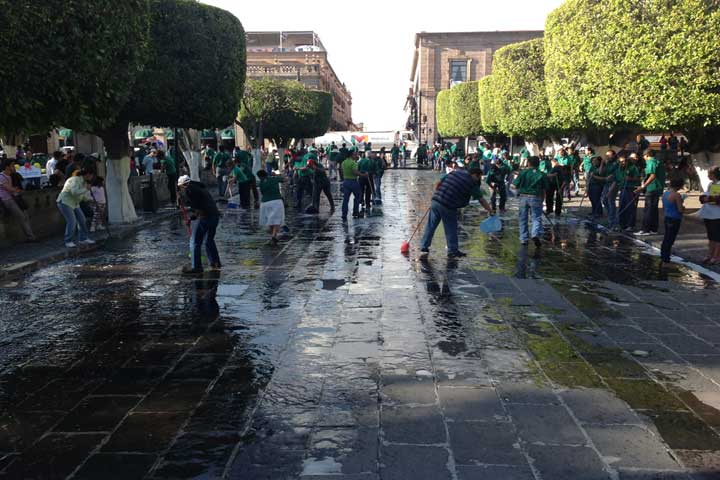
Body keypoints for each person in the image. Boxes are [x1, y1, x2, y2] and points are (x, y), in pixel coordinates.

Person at [420, 167, 492, 257]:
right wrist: (490, 210)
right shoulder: (471, 183)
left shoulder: (455, 172)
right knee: (451, 228)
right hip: (448, 205)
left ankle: (424, 246)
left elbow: (439, 182)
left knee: (431, 225)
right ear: (474, 175)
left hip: (436, 201)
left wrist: (437, 194)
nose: (478, 180)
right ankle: (452, 250)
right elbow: (481, 200)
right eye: (479, 177)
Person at [177, 175, 220, 274]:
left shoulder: (189, 190)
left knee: (194, 242)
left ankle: (196, 267)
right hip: (214, 216)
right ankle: (215, 263)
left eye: (181, 187)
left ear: (183, 185)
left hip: (206, 218)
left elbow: (198, 210)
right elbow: (201, 206)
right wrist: (191, 218)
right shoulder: (200, 188)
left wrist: (183, 201)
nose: (181, 190)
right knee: (209, 240)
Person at [513, 156, 548, 247]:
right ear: (538, 164)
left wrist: (519, 190)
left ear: (528, 163)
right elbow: (544, 189)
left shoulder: (523, 173)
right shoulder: (542, 174)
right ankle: (535, 233)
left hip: (523, 197)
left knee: (523, 218)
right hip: (536, 197)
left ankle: (523, 239)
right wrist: (542, 200)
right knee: (536, 218)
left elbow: (514, 185)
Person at [56, 168, 96, 248]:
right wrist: (86, 189)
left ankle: (83, 238)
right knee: (72, 221)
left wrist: (89, 199)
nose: (92, 177)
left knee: (82, 220)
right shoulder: (74, 180)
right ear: (88, 174)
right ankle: (68, 241)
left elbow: (81, 195)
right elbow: (74, 192)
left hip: (74, 203)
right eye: (92, 175)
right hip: (65, 202)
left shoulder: (83, 182)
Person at [0, 160, 36, 241]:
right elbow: (10, 189)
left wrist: (16, 190)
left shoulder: (11, 175)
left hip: (14, 198)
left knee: (25, 216)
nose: (14, 167)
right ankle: (31, 237)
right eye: (12, 165)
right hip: (7, 199)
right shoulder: (1, 176)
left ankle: (31, 236)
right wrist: (16, 190)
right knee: (22, 217)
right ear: (7, 167)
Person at [635, 149, 665, 236]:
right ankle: (653, 229)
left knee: (648, 209)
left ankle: (646, 229)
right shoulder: (657, 162)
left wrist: (643, 186)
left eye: (644, 156)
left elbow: (652, 175)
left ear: (647, 155)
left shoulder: (651, 162)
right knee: (653, 209)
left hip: (652, 188)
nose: (644, 158)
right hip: (657, 188)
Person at [660, 178, 685, 265]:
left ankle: (663, 256)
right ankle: (666, 259)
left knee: (667, 237)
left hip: (667, 217)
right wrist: (683, 205)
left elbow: (663, 207)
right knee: (670, 239)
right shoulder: (676, 195)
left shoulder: (665, 194)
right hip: (675, 218)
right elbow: (680, 209)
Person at [699, 167, 720, 265]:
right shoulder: (711, 184)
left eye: (709, 174)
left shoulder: (718, 184)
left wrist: (710, 199)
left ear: (714, 175)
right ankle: (710, 254)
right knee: (711, 236)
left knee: (717, 237)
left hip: (717, 215)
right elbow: (705, 196)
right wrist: (704, 198)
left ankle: (716, 256)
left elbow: (715, 199)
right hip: (708, 214)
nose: (708, 176)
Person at [257, 170, 285, 243]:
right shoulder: (274, 178)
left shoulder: (261, 182)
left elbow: (262, 192)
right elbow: (284, 179)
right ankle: (274, 236)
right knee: (277, 219)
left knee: (270, 219)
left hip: (265, 203)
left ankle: (273, 234)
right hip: (276, 201)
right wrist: (277, 176)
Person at [616, 155, 642, 231]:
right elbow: (617, 179)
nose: (622, 163)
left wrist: (630, 178)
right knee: (622, 206)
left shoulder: (633, 168)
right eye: (620, 162)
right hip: (622, 189)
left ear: (627, 161)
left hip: (630, 189)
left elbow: (638, 178)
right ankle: (622, 224)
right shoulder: (619, 169)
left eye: (624, 161)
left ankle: (630, 225)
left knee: (630, 207)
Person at [340, 151, 366, 220]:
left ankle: (344, 214)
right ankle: (355, 212)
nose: (356, 156)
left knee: (345, 199)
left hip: (346, 181)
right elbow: (355, 172)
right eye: (355, 155)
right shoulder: (353, 163)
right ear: (351, 155)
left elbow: (342, 171)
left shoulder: (344, 162)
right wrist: (363, 175)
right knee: (357, 197)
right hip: (353, 181)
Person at [586, 156, 606, 220]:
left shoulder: (602, 167)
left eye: (595, 161)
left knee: (596, 199)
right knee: (591, 198)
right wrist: (587, 185)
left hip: (597, 185)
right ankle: (594, 211)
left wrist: (602, 164)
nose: (594, 162)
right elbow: (589, 175)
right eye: (593, 161)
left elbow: (600, 173)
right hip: (591, 184)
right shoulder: (592, 167)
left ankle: (599, 212)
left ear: (599, 161)